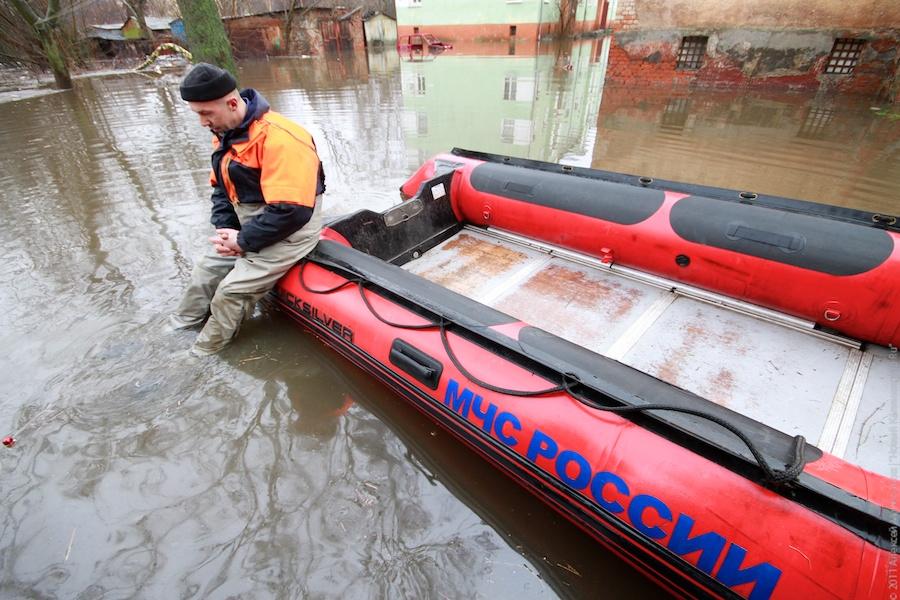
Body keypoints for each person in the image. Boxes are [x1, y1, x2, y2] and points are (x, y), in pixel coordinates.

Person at [169, 63, 325, 356]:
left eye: (205, 113)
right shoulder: (226, 132)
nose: (202, 122)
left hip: (290, 232)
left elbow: (293, 211)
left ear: (231, 103)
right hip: (251, 226)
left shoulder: (282, 138)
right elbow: (221, 188)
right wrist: (225, 228)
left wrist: (242, 241)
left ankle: (200, 355)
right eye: (198, 114)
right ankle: (176, 330)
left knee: (230, 293)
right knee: (204, 273)